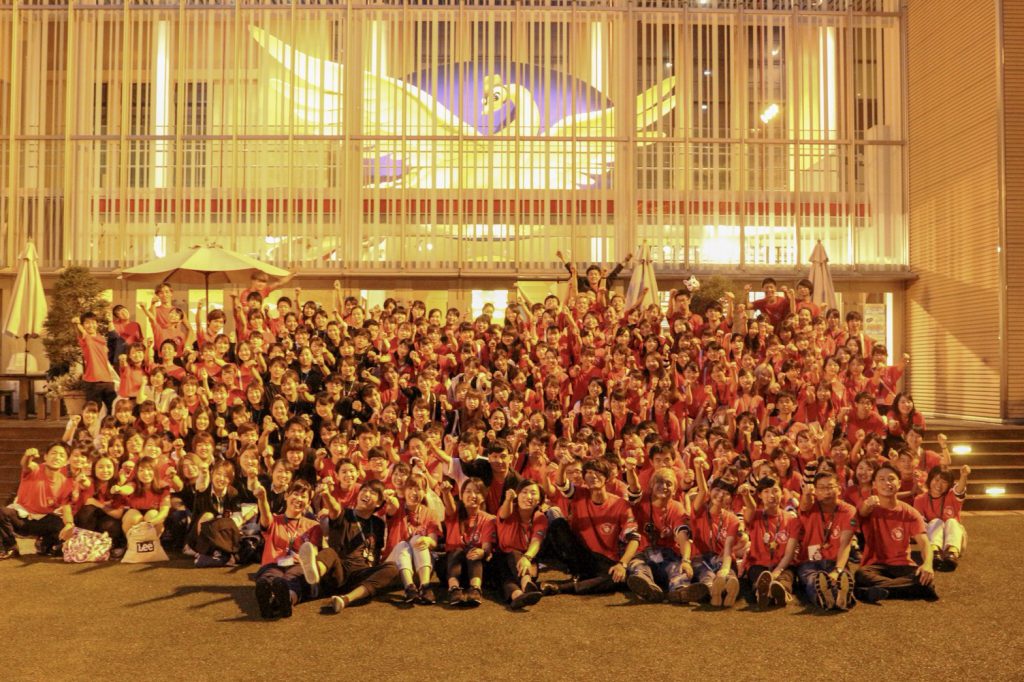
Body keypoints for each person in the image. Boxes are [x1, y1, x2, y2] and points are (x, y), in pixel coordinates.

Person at [543, 459, 641, 597]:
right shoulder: (579, 494)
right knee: (558, 523)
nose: (593, 476)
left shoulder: (620, 504)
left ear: (607, 478)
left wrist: (622, 564)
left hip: (606, 559)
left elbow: (634, 538)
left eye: (598, 472)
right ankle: (578, 573)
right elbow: (561, 484)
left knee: (620, 578)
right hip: (581, 554)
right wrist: (563, 465)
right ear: (584, 478)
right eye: (588, 472)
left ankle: (564, 587)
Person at [854, 463, 938, 603]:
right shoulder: (868, 506)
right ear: (874, 484)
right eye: (881, 479)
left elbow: (924, 544)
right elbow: (861, 514)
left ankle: (866, 592)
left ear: (899, 483)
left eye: (891, 479)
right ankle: (907, 589)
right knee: (861, 575)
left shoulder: (910, 512)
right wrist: (867, 506)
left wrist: (928, 564)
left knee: (925, 579)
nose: (887, 483)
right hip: (875, 565)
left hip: (903, 565)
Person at [252, 479, 322, 619]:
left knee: (293, 580)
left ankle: (286, 602)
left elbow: (314, 550)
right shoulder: (274, 520)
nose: (299, 499)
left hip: (298, 565)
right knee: (269, 578)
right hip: (273, 564)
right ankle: (269, 601)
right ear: (286, 496)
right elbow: (265, 515)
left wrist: (304, 557)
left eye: (303, 496)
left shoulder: (313, 526)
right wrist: (262, 498)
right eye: (295, 494)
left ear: (309, 502)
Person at [625, 467, 694, 604]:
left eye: (669, 484)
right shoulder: (641, 501)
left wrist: (686, 561)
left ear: (674, 490)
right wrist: (630, 469)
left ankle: (680, 590)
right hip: (642, 552)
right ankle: (648, 588)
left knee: (678, 569)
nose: (664, 486)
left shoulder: (677, 508)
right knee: (638, 567)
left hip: (667, 555)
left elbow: (683, 536)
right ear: (651, 485)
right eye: (659, 482)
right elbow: (634, 486)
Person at [795, 471, 858, 610]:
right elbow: (804, 504)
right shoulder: (810, 506)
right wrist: (807, 494)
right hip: (809, 561)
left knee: (842, 577)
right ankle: (834, 597)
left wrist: (838, 569)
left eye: (830, 487)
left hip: (835, 560)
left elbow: (845, 544)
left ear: (839, 489)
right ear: (815, 491)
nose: (826, 492)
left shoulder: (849, 510)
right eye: (821, 488)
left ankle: (835, 596)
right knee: (813, 579)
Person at [0, 444, 76, 559]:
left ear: (66, 462)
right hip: (21, 517)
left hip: (42, 521)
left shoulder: (65, 483)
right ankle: (11, 547)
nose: (57, 457)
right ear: (45, 456)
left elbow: (66, 508)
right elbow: (26, 464)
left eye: (61, 455)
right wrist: (28, 456)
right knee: (2, 512)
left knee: (61, 525)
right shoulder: (35, 469)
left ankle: (44, 545)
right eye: (54, 453)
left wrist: (69, 524)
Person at [739, 476, 799, 609]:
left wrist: (777, 570)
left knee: (784, 579)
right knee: (760, 578)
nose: (771, 495)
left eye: (775, 490)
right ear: (759, 495)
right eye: (766, 491)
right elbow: (751, 507)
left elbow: (789, 554)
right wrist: (746, 495)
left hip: (784, 565)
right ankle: (762, 593)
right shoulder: (754, 516)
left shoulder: (792, 520)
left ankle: (781, 593)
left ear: (782, 493)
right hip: (758, 564)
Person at [439, 477, 496, 607]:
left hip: (476, 570)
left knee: (474, 552)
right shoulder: (454, 514)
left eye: (477, 492)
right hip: (451, 567)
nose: (473, 495)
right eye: (468, 491)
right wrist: (446, 493)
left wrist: (482, 552)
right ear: (461, 495)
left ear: (483, 497)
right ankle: (453, 589)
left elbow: (487, 547)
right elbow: (449, 506)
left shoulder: (489, 520)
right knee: (457, 551)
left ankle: (475, 589)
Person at [495, 480, 549, 609]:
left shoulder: (540, 517)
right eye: (524, 492)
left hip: (527, 562)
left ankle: (517, 596)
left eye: (533, 493)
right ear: (517, 495)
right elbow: (504, 513)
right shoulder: (509, 510)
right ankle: (525, 586)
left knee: (507, 573)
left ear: (539, 499)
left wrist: (527, 557)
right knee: (506, 563)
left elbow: (536, 541)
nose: (528, 497)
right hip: (503, 557)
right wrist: (508, 499)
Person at [913, 465, 970, 571]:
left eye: (944, 482)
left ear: (949, 484)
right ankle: (934, 553)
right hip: (932, 542)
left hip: (955, 542)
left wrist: (964, 476)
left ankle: (952, 554)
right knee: (936, 521)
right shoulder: (920, 499)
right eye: (936, 480)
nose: (939, 484)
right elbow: (920, 526)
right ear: (930, 479)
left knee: (952, 521)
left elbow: (959, 490)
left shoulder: (951, 495)